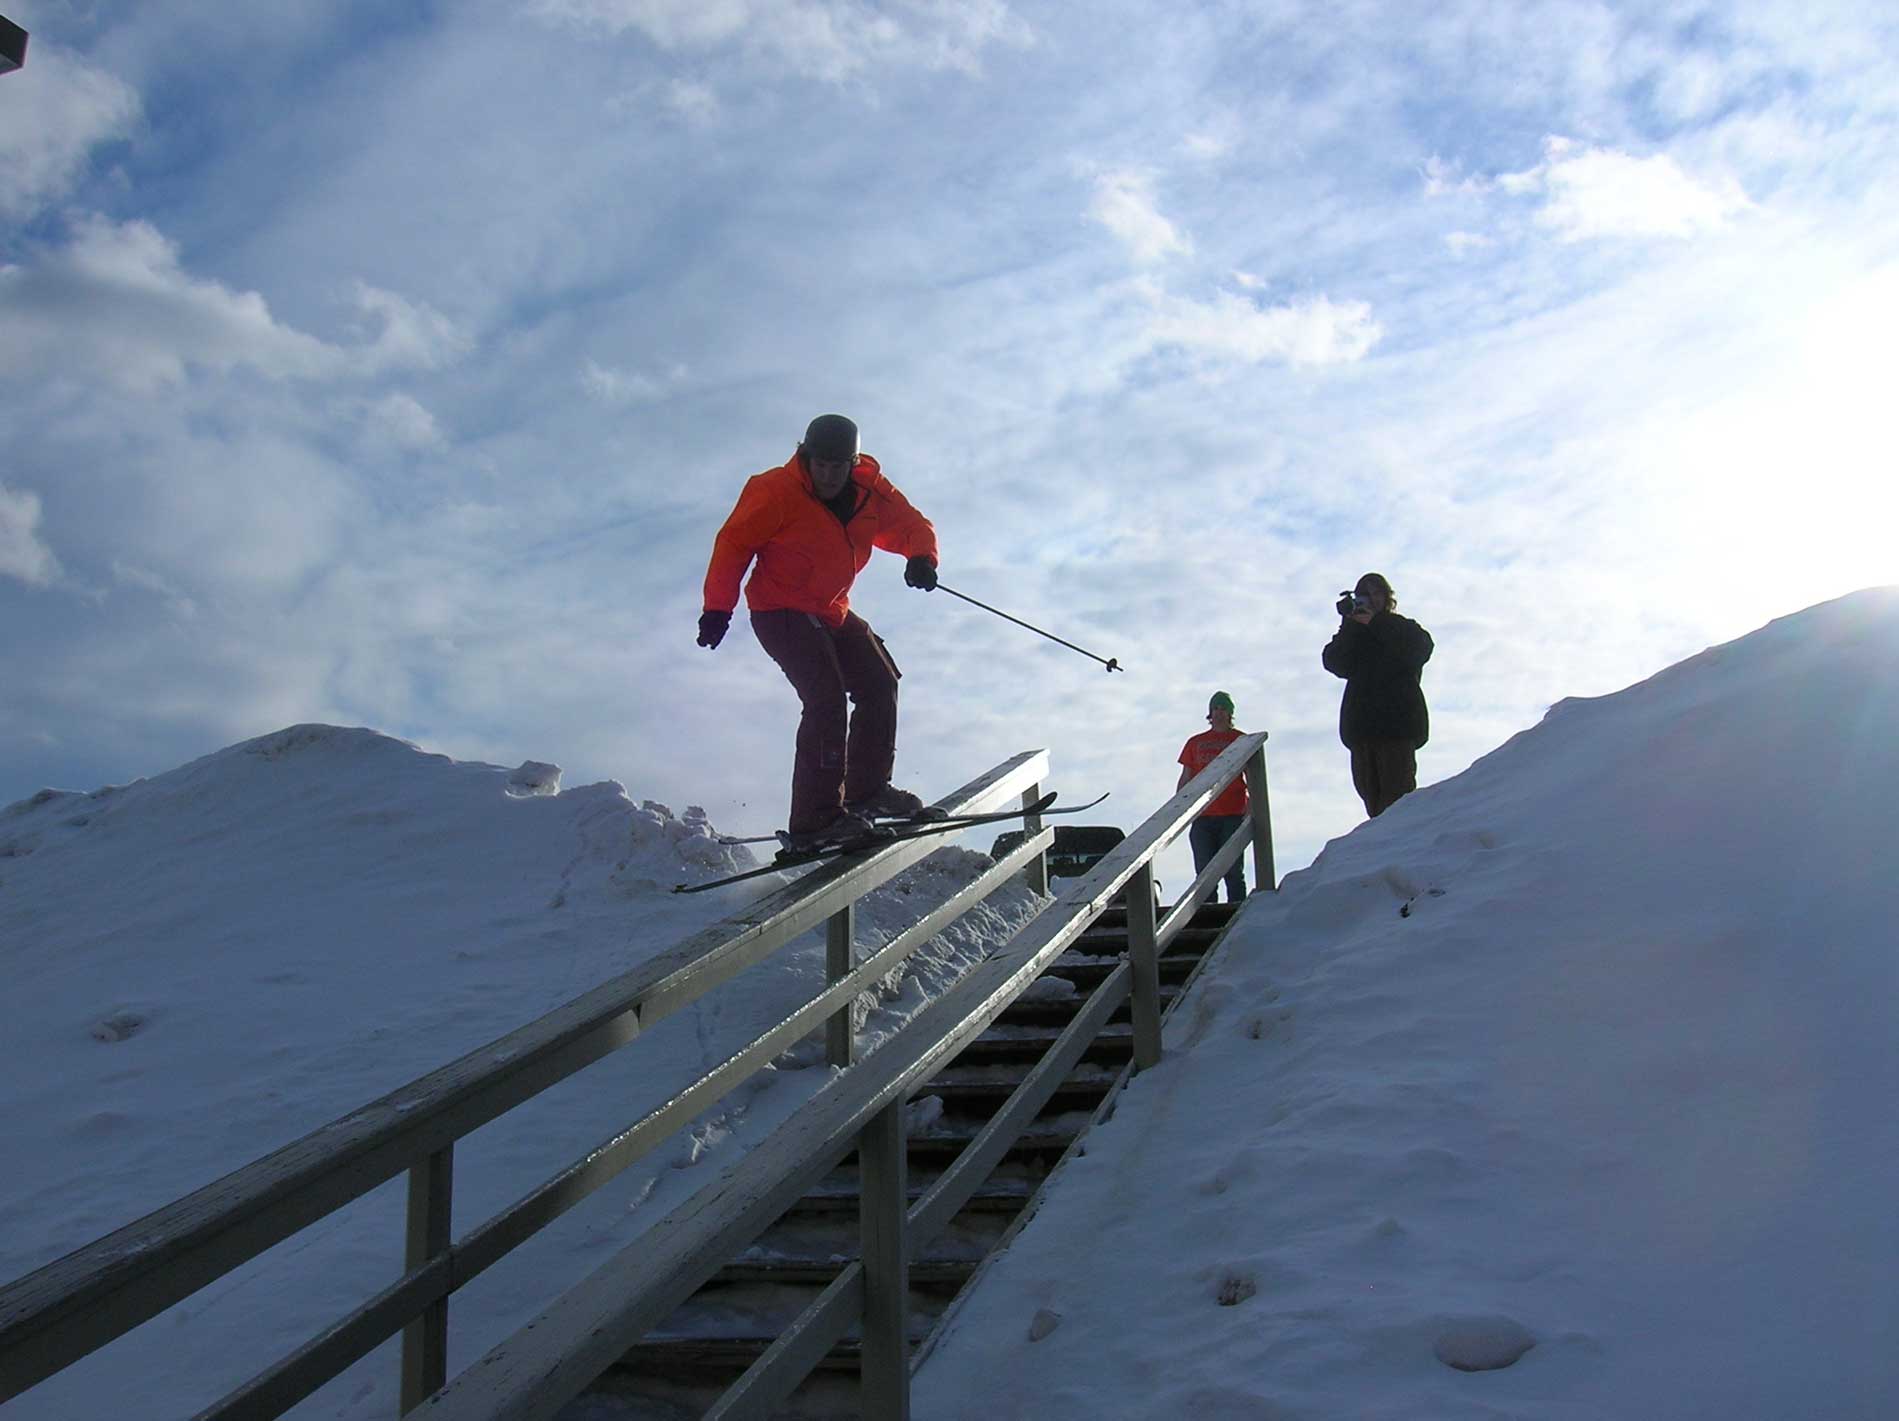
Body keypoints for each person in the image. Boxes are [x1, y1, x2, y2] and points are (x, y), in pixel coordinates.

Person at [697, 414, 940, 852]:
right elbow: (733, 544)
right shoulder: (775, 491)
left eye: (837, 466)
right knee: (825, 698)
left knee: (879, 681)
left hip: (830, 610)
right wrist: (718, 608)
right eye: (820, 465)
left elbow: (910, 525)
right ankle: (815, 818)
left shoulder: (869, 493)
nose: (827, 475)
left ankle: (867, 792)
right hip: (779, 609)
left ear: (852, 464)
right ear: (806, 457)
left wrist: (921, 557)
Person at [1322, 572, 1433, 818]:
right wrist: (1349, 625)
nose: (1371, 600)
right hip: (1362, 730)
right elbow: (1334, 661)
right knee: (1372, 801)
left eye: (1376, 594)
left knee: (1398, 800)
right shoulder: (1354, 634)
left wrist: (1376, 622)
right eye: (1365, 595)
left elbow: (1421, 648)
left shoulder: (1401, 627)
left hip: (1397, 727)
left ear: (1386, 597)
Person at [1176, 691, 1248, 903]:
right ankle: (1207, 913)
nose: (1218, 712)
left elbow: (1251, 774)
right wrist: (1179, 807)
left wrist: (1252, 806)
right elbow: (1186, 777)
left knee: (1233, 871)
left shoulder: (1241, 740)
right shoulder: (1195, 742)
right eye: (1215, 708)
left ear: (1230, 713)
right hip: (1202, 815)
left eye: (1223, 708)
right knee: (1204, 873)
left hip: (1232, 813)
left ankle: (1238, 913)